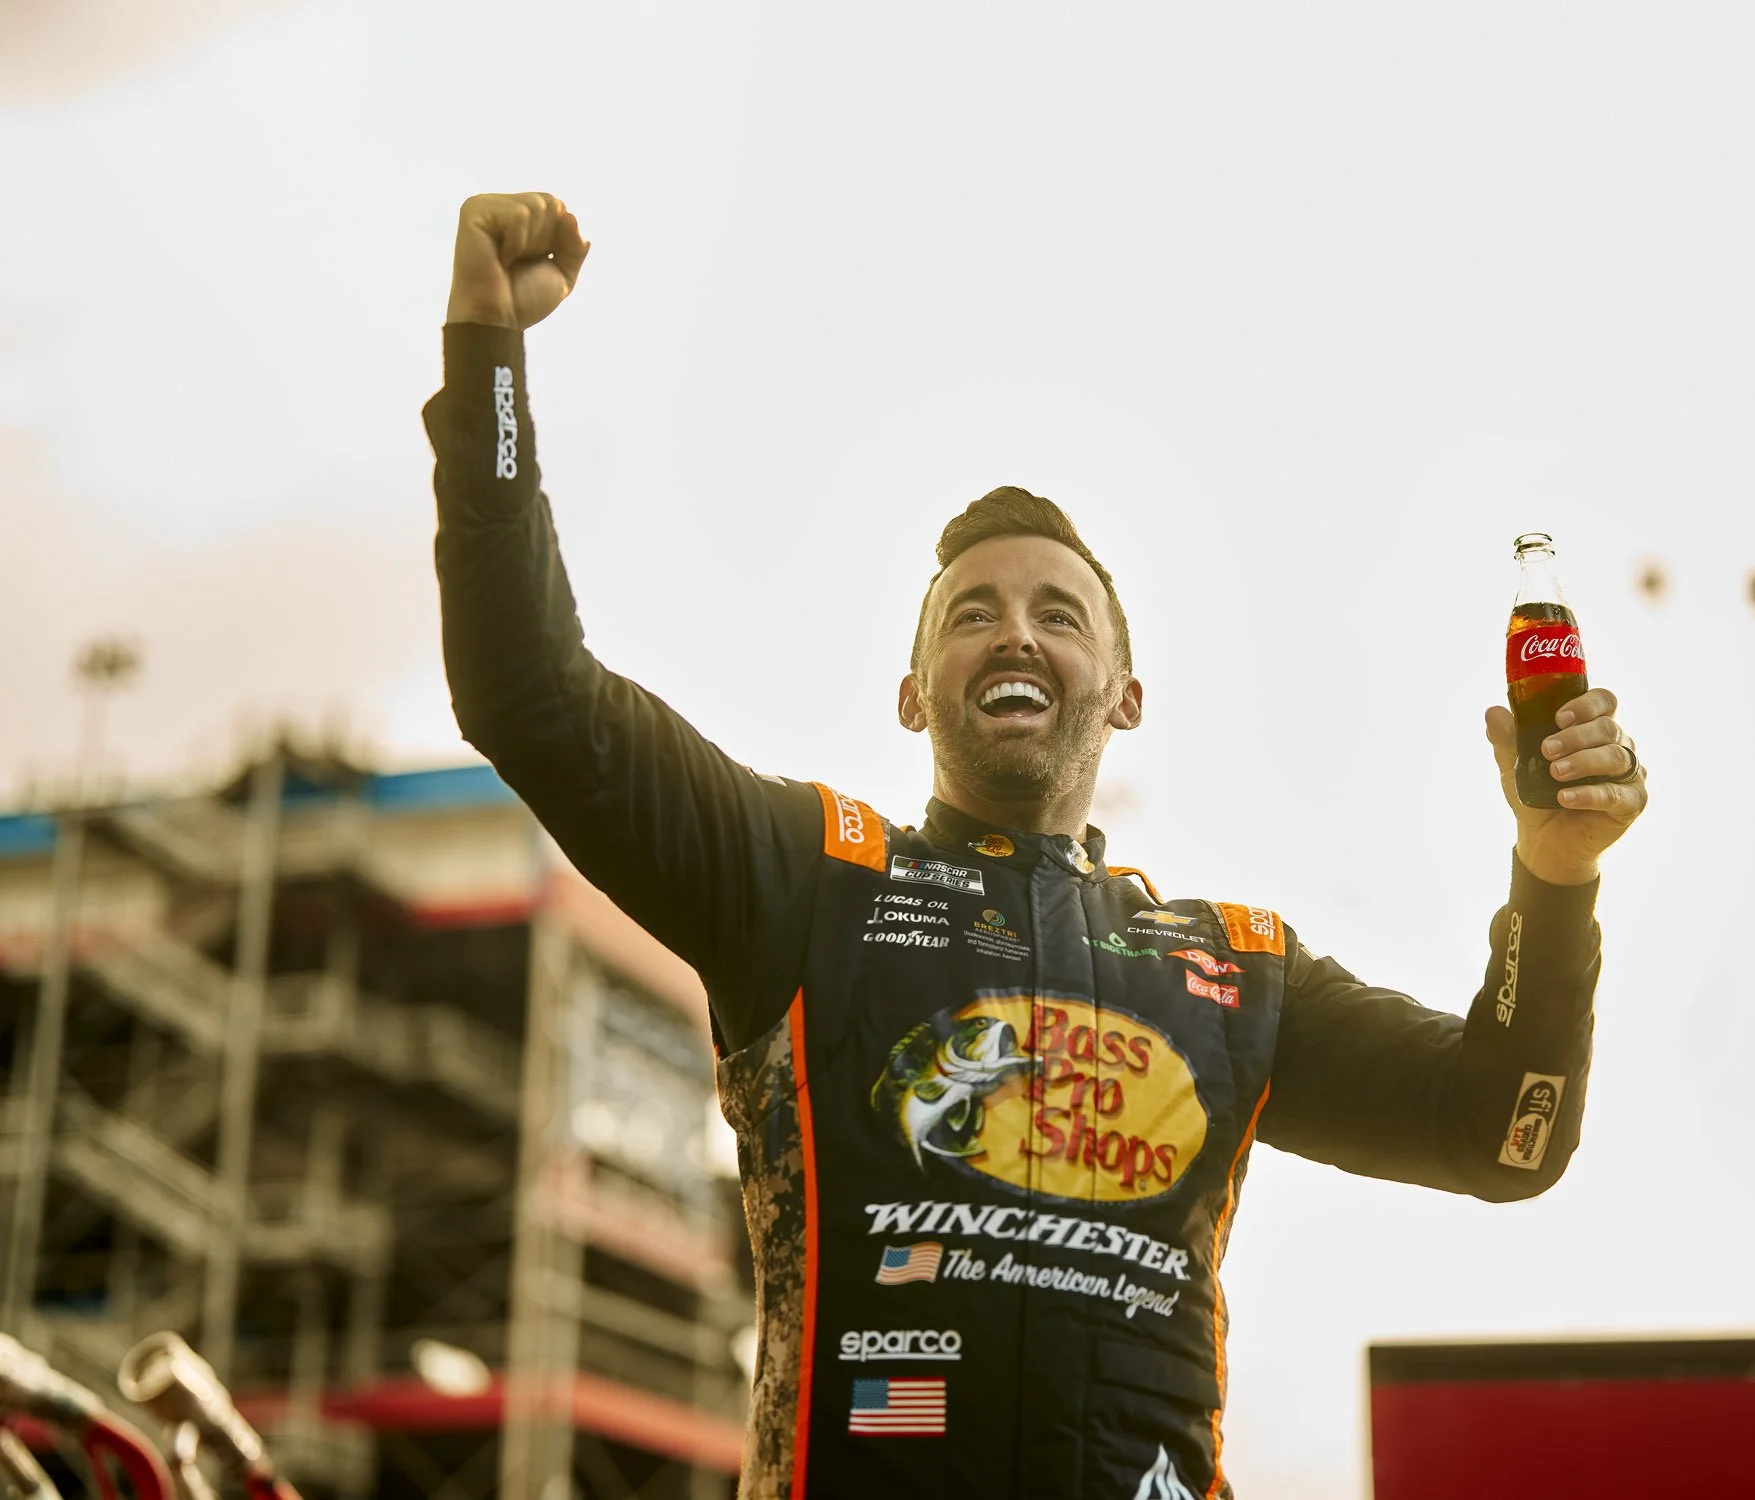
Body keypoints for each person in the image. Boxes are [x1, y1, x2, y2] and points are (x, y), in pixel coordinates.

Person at [424, 192, 1648, 1500]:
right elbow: (526, 691)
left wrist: (1556, 877)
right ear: (911, 692)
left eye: (1057, 614)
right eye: (971, 615)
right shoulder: (805, 876)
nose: (1014, 634)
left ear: (1123, 692)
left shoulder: (1234, 970)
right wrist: (486, 355)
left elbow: (1504, 1138)